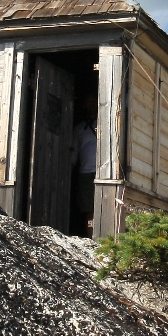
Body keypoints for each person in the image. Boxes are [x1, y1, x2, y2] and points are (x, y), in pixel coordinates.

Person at [71, 93, 97, 237]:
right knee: (89, 211)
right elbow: (74, 152)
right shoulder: (79, 128)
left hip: (104, 172)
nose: (92, 104)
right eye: (89, 101)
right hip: (85, 173)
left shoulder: (105, 123)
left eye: (94, 101)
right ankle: (91, 238)